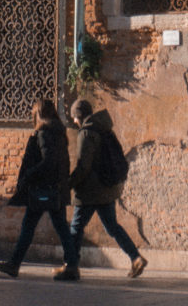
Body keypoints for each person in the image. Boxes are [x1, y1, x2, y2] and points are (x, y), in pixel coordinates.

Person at [0, 97, 80, 281]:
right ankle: (72, 265)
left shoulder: (44, 133)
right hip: (56, 188)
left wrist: (29, 174)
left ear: (38, 114)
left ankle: (14, 264)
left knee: (29, 226)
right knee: (61, 228)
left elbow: (48, 161)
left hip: (43, 189)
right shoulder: (59, 133)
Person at [69, 99, 148, 278]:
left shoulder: (86, 133)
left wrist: (69, 184)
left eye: (74, 117)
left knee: (75, 227)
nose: (74, 121)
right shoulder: (104, 128)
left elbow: (83, 166)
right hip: (107, 188)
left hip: (90, 191)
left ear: (79, 116)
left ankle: (71, 266)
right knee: (112, 226)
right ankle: (135, 257)